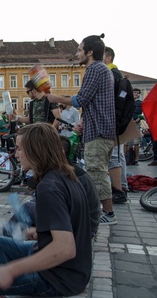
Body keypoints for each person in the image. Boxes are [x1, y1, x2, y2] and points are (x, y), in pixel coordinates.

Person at [0, 123, 92, 297]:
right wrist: (37, 231)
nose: (17, 155)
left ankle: (5, 283)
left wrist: (11, 270)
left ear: (35, 151)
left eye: (19, 149)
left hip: (57, 278)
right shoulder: (66, 176)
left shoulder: (48, 187)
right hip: (74, 269)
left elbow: (65, 248)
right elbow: (72, 226)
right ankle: (1, 289)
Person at [47, 34, 118, 225]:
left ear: (90, 52)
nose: (77, 53)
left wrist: (57, 99)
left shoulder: (95, 68)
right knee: (98, 170)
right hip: (100, 128)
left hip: (99, 131)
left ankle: (107, 214)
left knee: (96, 171)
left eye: (79, 50)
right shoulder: (103, 70)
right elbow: (94, 102)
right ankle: (102, 211)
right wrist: (83, 122)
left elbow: (82, 99)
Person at [0, 135, 100, 240]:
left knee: (27, 208)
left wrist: (37, 232)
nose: (17, 155)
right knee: (30, 207)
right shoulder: (66, 170)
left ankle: (8, 232)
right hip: (83, 226)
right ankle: (11, 231)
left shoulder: (55, 180)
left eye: (20, 149)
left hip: (80, 230)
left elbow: (65, 243)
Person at [103, 46, 129, 204]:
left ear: (108, 58)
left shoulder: (111, 73)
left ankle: (119, 189)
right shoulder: (116, 73)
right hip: (118, 120)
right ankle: (123, 186)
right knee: (118, 155)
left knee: (114, 156)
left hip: (111, 120)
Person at [124, 88, 142, 165]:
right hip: (127, 123)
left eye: (137, 93)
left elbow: (143, 113)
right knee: (126, 142)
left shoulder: (141, 103)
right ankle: (126, 158)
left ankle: (136, 159)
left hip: (136, 123)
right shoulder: (128, 101)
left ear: (139, 94)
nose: (136, 94)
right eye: (134, 92)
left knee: (136, 143)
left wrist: (139, 118)